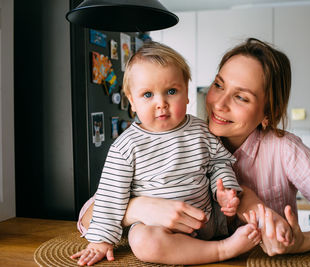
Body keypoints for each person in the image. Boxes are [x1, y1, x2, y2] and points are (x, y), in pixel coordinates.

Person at [77, 37, 310, 260]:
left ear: (268, 111)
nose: (218, 103)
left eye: (242, 97)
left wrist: (303, 243)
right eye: (219, 85)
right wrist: (140, 208)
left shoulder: (284, 151)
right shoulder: (170, 135)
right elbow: (90, 215)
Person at [71, 41, 265, 266]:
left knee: (245, 203)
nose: (161, 103)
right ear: (131, 101)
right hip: (162, 232)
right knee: (142, 241)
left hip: (207, 221)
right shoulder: (126, 147)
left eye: (171, 91)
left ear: (186, 93)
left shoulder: (200, 130)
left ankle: (244, 237)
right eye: (147, 95)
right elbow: (110, 196)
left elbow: (219, 162)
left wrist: (224, 190)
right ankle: (221, 250)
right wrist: (101, 241)